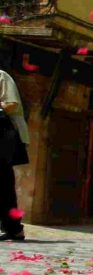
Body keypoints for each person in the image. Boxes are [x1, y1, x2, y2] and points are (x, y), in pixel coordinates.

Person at [0, 69, 29, 241]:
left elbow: (12, 104)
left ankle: (14, 228)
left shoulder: (2, 76)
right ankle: (12, 227)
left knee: (3, 184)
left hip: (4, 136)